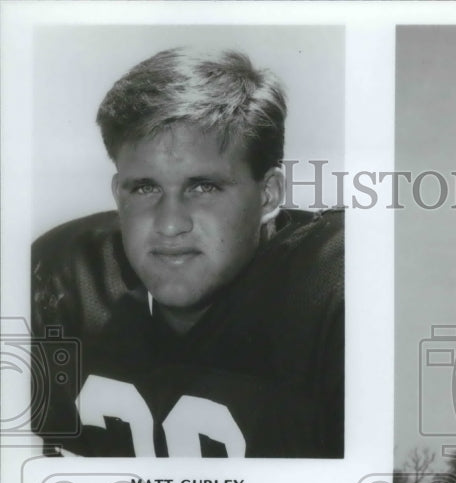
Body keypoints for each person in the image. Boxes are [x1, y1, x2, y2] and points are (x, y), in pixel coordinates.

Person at [31, 48, 344, 458]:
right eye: (145, 188)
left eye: (204, 187)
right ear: (118, 194)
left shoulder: (333, 284)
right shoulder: (64, 278)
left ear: (268, 195)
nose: (169, 223)